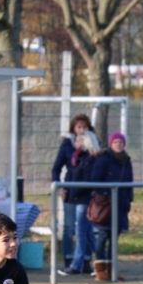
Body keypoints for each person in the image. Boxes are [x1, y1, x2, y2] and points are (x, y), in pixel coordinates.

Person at [51, 114, 94, 269]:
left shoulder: (93, 145)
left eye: (85, 127)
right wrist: (59, 187)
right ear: (73, 129)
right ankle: (69, 258)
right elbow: (56, 168)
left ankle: (86, 260)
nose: (82, 130)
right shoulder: (67, 145)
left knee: (86, 228)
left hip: (87, 193)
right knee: (69, 226)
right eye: (79, 127)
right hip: (70, 191)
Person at [57, 131, 102, 276]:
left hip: (85, 199)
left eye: (78, 141)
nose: (75, 143)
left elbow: (87, 180)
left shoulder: (89, 158)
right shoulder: (79, 157)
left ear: (85, 142)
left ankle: (76, 265)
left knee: (81, 232)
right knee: (87, 233)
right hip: (78, 198)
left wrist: (74, 190)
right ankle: (104, 260)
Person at [91, 132, 134, 281]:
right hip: (105, 205)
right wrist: (106, 194)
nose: (118, 145)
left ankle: (111, 270)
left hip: (121, 204)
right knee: (103, 236)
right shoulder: (103, 159)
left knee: (114, 238)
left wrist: (129, 199)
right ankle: (100, 269)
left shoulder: (126, 160)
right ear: (111, 144)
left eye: (121, 142)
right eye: (115, 142)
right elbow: (95, 180)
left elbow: (130, 181)